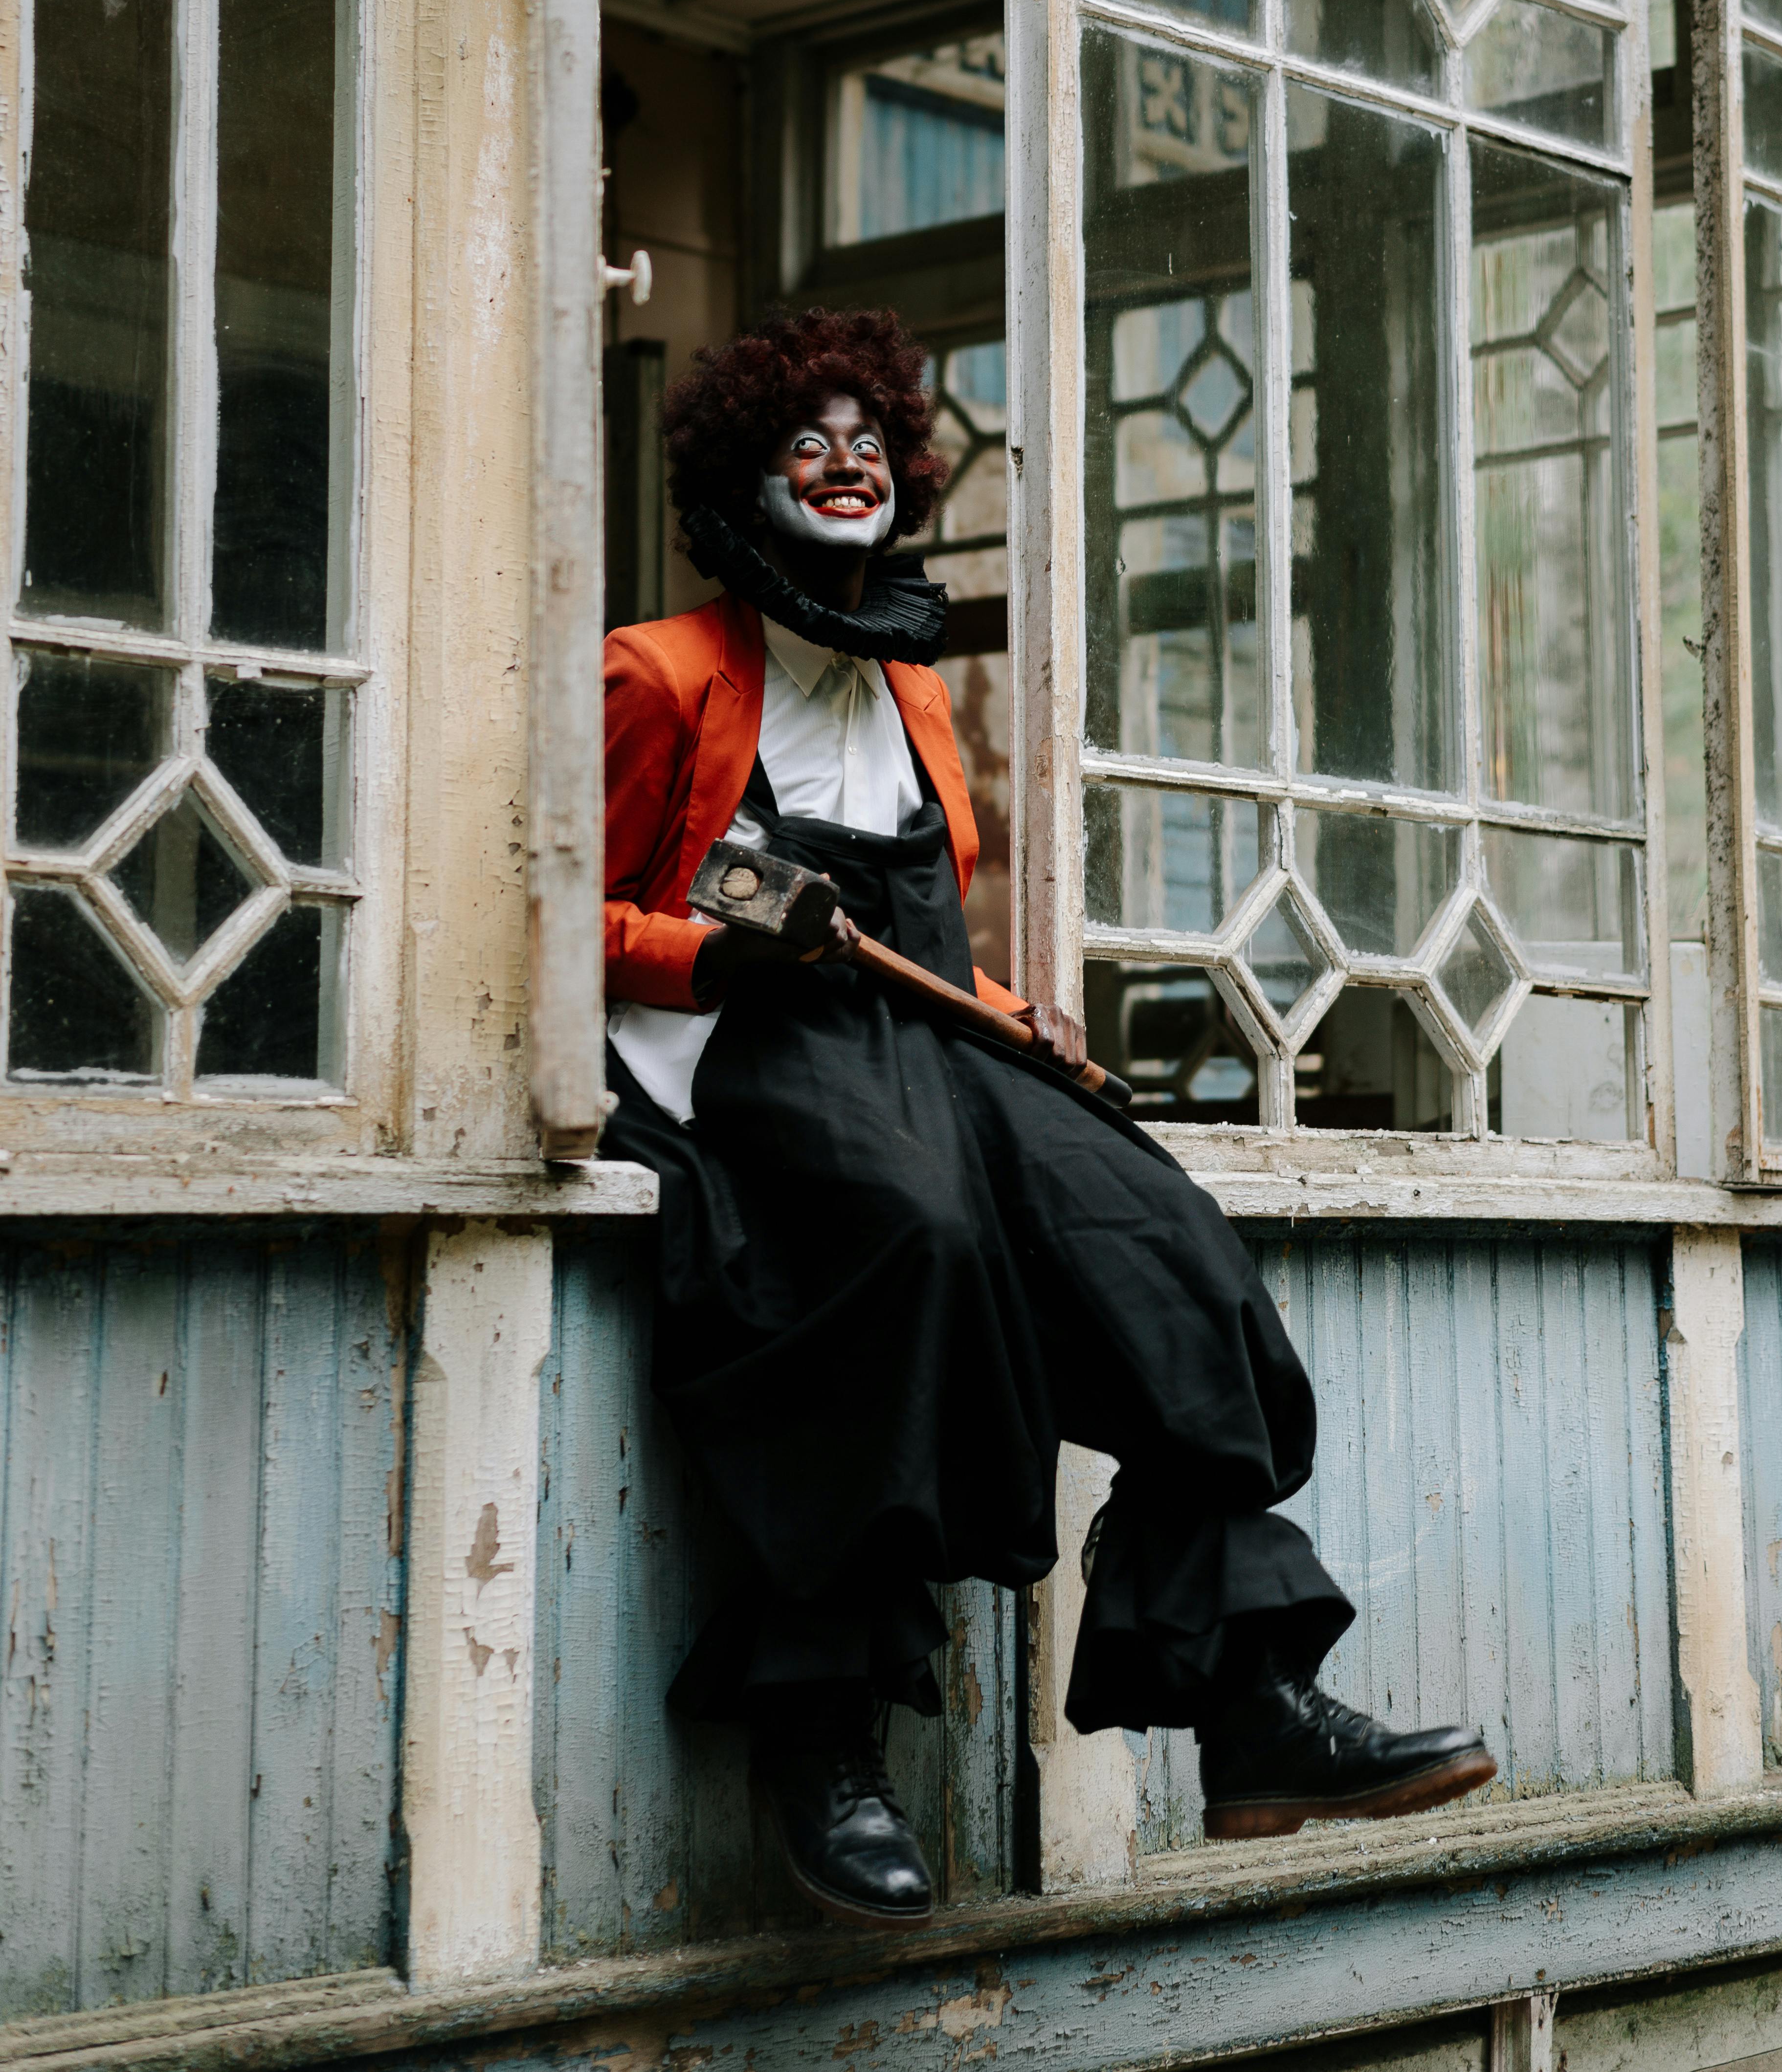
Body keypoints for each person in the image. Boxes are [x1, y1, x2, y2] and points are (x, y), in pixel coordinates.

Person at [598, 306, 1495, 1931]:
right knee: (911, 1239)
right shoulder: (656, 673)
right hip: (751, 1044)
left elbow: (923, 942)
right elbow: (556, 918)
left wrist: (1022, 1017)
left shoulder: (917, 698)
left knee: (1163, 1242)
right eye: (808, 438)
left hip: (931, 1049)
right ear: (745, 475)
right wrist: (710, 947)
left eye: (870, 437)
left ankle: (1250, 1709)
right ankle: (822, 1732)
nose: (846, 460)